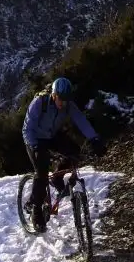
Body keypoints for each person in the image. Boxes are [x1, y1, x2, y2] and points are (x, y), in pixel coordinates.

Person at [22, 76, 105, 232]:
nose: (63, 103)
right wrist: (36, 147)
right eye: (61, 99)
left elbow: (81, 120)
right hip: (34, 138)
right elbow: (27, 128)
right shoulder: (39, 103)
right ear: (53, 95)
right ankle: (36, 209)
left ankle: (57, 178)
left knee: (74, 151)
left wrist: (94, 138)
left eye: (66, 100)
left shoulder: (67, 105)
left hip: (52, 136)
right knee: (41, 170)